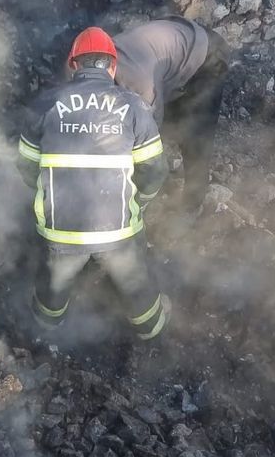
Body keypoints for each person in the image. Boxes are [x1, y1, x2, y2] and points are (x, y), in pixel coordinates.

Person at [17, 27, 171, 340]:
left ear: (72, 65)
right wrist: (139, 203)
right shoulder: (135, 107)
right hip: (117, 231)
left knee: (53, 285)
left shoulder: (43, 106)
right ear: (113, 67)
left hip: (61, 229)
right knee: (134, 281)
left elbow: (26, 167)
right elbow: (154, 170)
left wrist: (48, 192)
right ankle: (150, 326)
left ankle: (47, 326)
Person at [112, 16, 230, 214]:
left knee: (194, 137)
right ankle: (162, 183)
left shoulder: (140, 85)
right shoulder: (77, 72)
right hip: (171, 53)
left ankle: (191, 207)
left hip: (207, 56)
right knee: (167, 125)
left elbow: (148, 139)